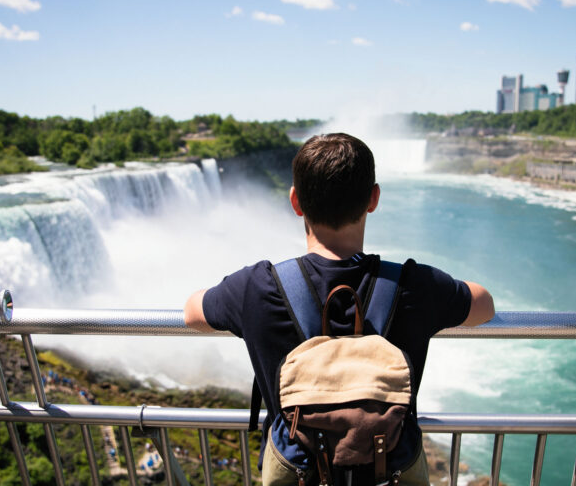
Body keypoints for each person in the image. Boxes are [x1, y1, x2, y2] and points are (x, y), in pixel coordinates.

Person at [184, 132, 494, 485]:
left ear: (295, 201)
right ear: (373, 199)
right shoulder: (414, 285)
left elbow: (192, 313)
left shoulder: (256, 287)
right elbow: (483, 304)